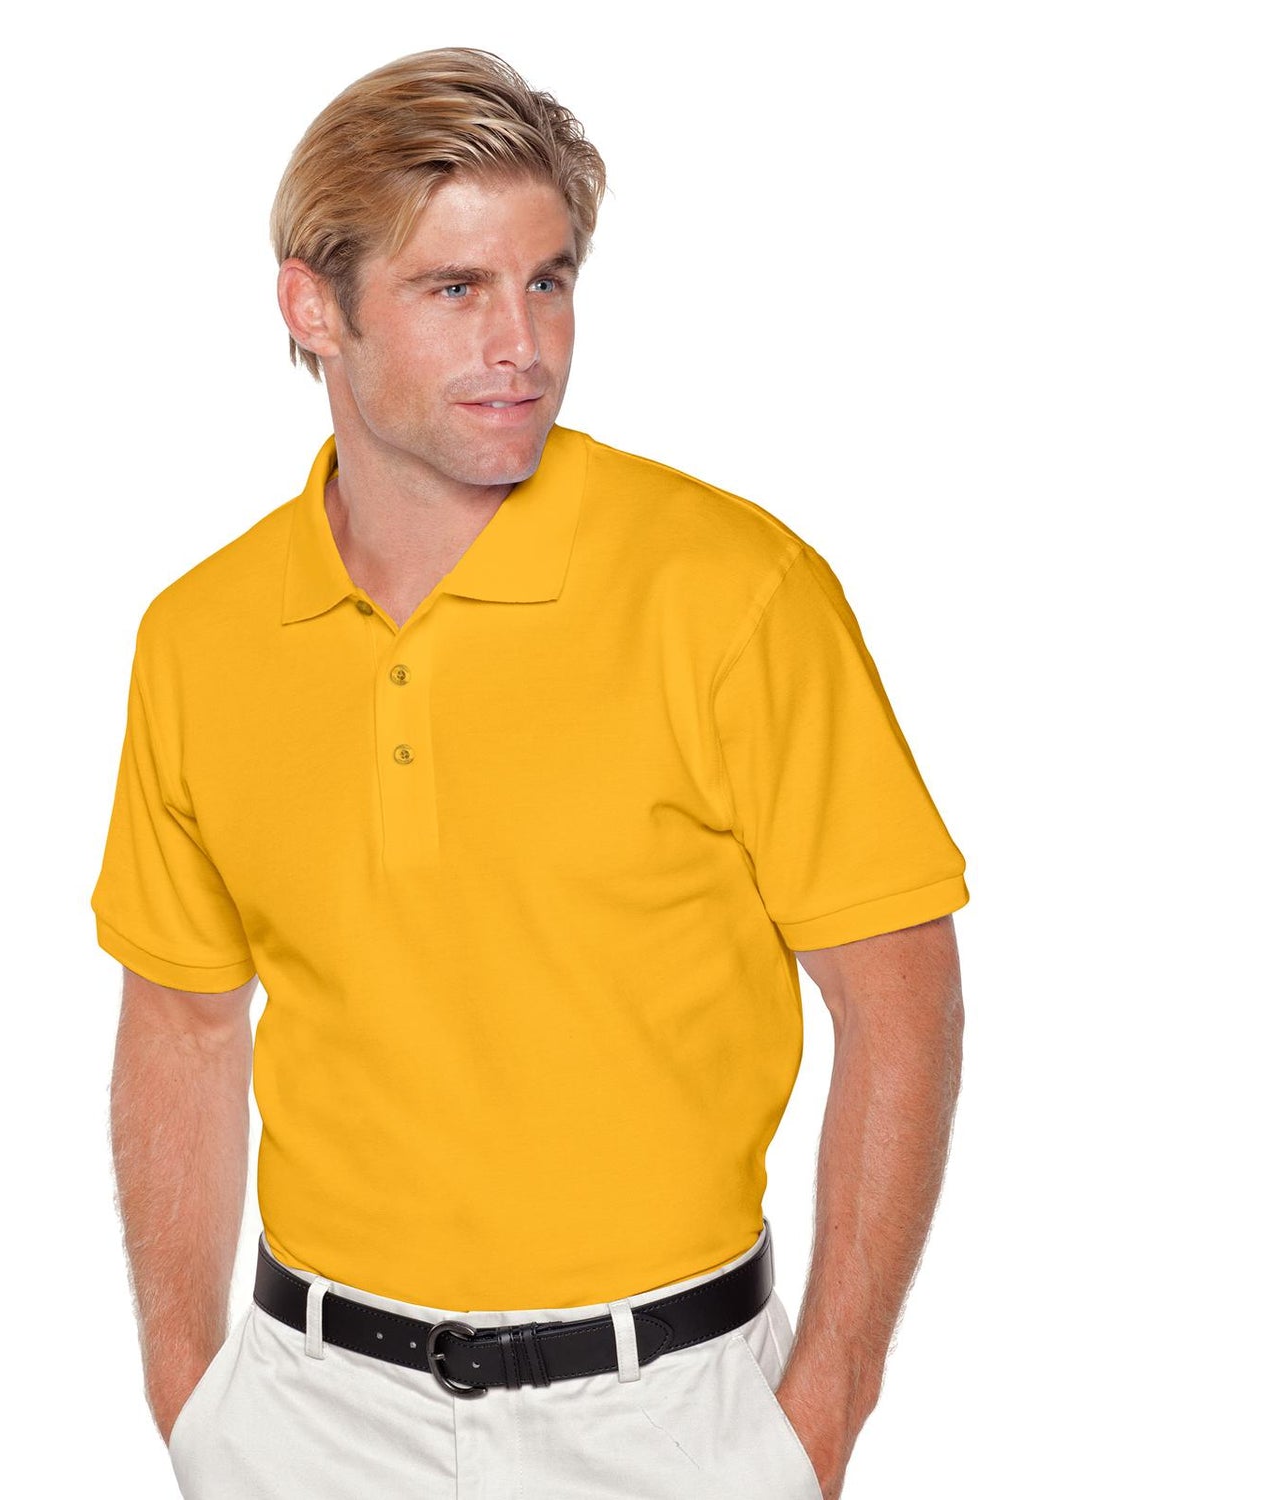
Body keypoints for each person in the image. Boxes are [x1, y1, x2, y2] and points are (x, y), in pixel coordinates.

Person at [91, 46, 968, 1500]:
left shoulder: (733, 592)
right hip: (307, 1421)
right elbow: (182, 1022)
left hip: (669, 1421)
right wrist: (192, 1399)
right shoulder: (201, 636)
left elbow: (902, 1000)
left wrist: (820, 1416)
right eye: (456, 288)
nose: (524, 343)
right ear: (314, 307)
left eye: (548, 281)